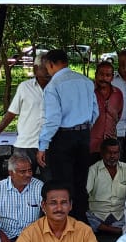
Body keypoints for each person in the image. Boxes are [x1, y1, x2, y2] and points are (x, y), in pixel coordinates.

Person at [37, 49, 98, 222]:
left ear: (50, 64)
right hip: (83, 135)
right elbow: (95, 111)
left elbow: (53, 119)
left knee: (63, 183)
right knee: (80, 181)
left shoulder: (53, 86)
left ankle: (67, 223)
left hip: (62, 137)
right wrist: (84, 126)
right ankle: (81, 221)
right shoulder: (86, 81)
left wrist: (43, 145)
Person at [0, 61, 52, 171]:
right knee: (21, 177)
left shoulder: (58, 88)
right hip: (25, 144)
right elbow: (11, 113)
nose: (48, 72)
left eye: (50, 68)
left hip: (49, 145)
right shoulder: (24, 87)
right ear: (36, 69)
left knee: (50, 179)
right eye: (44, 68)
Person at [0, 152, 45, 242]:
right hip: (5, 238)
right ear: (11, 173)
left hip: (31, 239)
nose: (28, 174)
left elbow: (49, 214)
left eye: (30, 170)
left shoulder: (39, 186)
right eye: (23, 172)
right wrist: (4, 241)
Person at [87, 138, 126, 236]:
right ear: (102, 153)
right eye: (109, 153)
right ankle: (115, 230)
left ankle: (104, 228)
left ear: (119, 154)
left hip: (119, 215)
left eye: (115, 153)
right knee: (84, 218)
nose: (112, 156)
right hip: (98, 215)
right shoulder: (93, 170)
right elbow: (86, 191)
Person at [93, 61, 125, 159]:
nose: (104, 78)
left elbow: (118, 116)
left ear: (112, 77)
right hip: (91, 145)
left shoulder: (117, 93)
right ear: (95, 75)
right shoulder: (89, 92)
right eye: (101, 74)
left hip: (110, 146)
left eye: (108, 75)